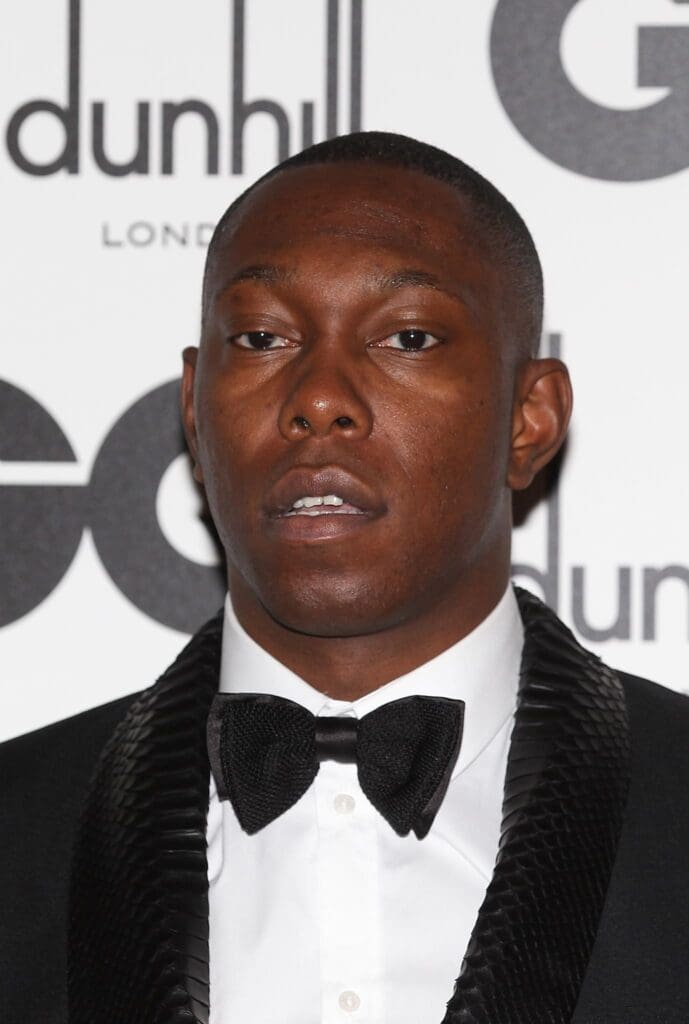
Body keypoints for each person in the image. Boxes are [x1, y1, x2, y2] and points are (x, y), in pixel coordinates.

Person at [2, 132, 689, 1024]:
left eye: (406, 336)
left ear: (529, 420)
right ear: (194, 409)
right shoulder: (17, 830)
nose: (318, 398)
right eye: (260, 336)